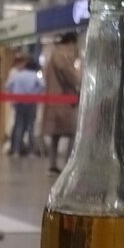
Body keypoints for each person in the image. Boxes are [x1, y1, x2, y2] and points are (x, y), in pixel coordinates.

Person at [42, 32, 80, 174]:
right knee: (72, 132)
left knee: (55, 134)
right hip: (63, 100)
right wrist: (77, 78)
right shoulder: (61, 55)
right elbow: (70, 76)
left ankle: (53, 164)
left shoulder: (54, 55)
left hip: (55, 100)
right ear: (71, 43)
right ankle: (68, 164)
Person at [5, 53, 42, 157]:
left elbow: (8, 85)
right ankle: (31, 151)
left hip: (19, 102)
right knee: (30, 127)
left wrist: (14, 93)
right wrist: (35, 92)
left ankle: (16, 150)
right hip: (31, 102)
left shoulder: (17, 74)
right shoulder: (34, 75)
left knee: (19, 126)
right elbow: (43, 84)